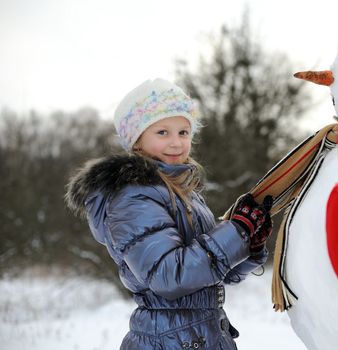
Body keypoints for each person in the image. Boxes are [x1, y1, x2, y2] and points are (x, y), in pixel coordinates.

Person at [65, 78, 273, 350]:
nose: (176, 143)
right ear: (137, 140)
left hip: (199, 333)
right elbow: (169, 277)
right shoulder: (132, 196)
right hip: (168, 339)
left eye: (183, 132)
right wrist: (235, 231)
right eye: (162, 132)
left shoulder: (183, 193)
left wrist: (248, 243)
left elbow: (211, 276)